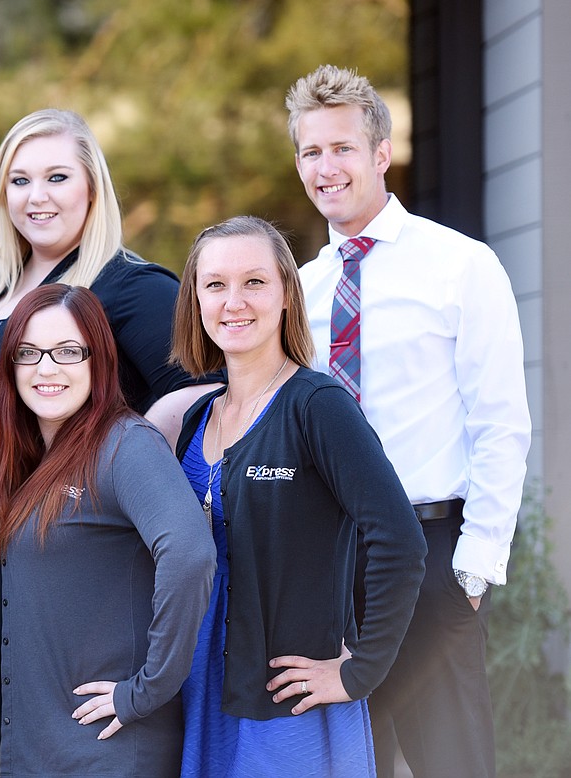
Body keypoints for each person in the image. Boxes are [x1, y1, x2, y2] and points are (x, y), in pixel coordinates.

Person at [287, 65, 531, 777]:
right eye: (310, 152)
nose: (325, 167)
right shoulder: (300, 289)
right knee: (338, 761)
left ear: (381, 153)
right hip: (329, 561)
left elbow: (501, 423)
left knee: (451, 763)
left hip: (430, 555)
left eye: (341, 149)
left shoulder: (461, 266)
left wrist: (475, 571)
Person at [167, 216, 426, 777]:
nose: (234, 301)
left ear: (287, 294)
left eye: (254, 282)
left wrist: (359, 670)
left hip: (288, 704)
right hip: (203, 691)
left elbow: (400, 540)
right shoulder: (196, 419)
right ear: (196, 301)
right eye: (215, 285)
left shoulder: (317, 405)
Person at [0, 284, 216, 777]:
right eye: (28, 353)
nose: (46, 368)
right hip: (37, 748)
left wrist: (147, 690)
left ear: (99, 361)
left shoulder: (126, 445)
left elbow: (190, 556)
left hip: (106, 751)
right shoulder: (26, 462)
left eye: (68, 351)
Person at [0, 108, 217, 536]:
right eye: (19, 180)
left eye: (57, 178)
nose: (36, 196)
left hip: (48, 553)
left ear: (93, 190)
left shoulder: (130, 286)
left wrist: (112, 465)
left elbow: (209, 390)